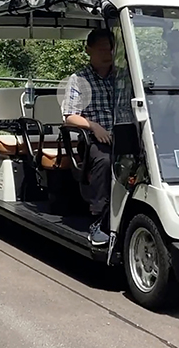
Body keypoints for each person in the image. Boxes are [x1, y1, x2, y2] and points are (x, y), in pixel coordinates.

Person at [62, 28, 115, 246]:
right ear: (88, 50)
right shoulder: (79, 79)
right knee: (105, 160)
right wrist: (94, 127)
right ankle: (98, 220)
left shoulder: (122, 76)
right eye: (102, 48)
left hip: (123, 134)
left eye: (110, 48)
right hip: (92, 138)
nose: (107, 53)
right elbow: (70, 116)